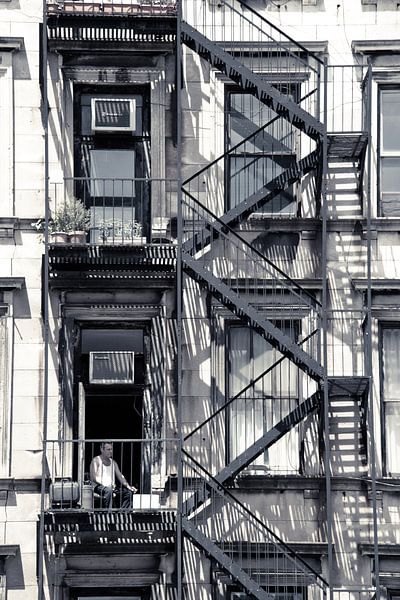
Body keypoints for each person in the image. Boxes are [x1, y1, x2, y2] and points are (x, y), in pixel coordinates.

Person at [90, 441, 137, 509]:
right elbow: (93, 478)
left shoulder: (113, 462)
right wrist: (105, 485)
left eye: (111, 449)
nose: (111, 451)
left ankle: (123, 514)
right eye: (108, 449)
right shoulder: (96, 460)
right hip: (98, 487)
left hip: (111, 488)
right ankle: (108, 513)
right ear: (102, 449)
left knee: (128, 493)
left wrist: (129, 487)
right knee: (108, 491)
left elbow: (120, 476)